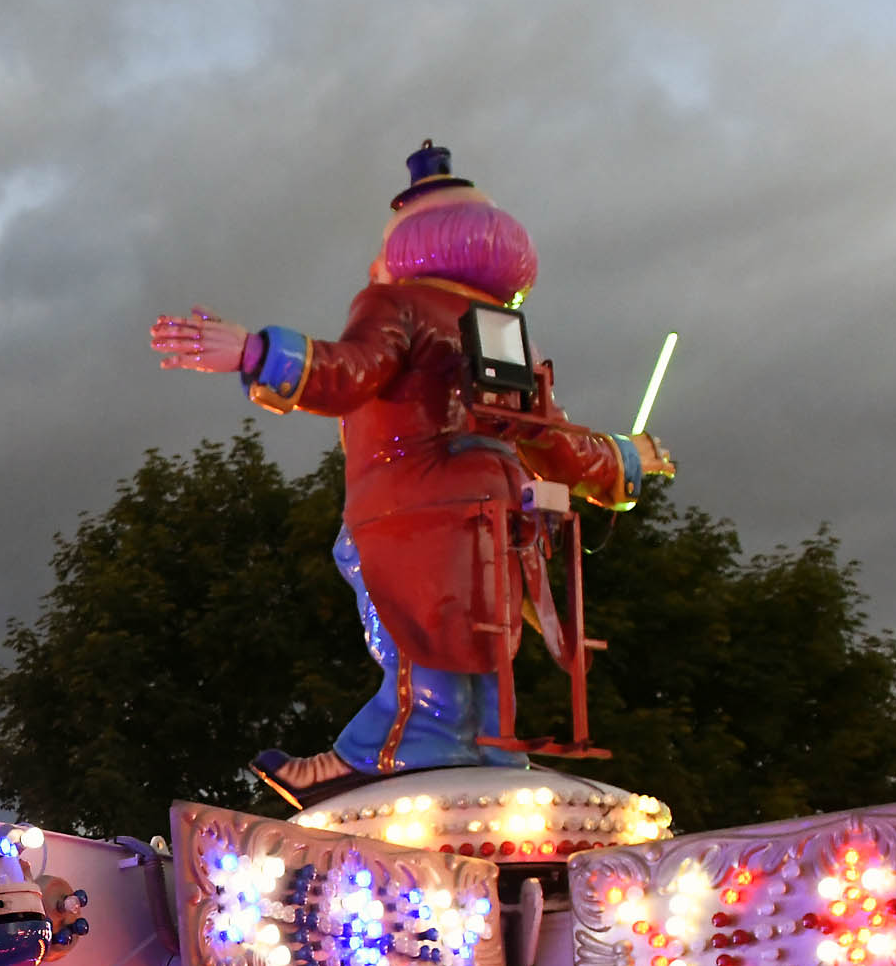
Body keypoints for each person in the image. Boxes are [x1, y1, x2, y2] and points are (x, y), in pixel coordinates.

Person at [151, 141, 672, 806]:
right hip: (500, 517)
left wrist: (254, 351)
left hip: (409, 511)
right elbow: (558, 444)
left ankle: (388, 752)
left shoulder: (394, 305)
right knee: (481, 641)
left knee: (416, 636)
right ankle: (485, 749)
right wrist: (630, 458)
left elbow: (347, 373)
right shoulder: (513, 334)